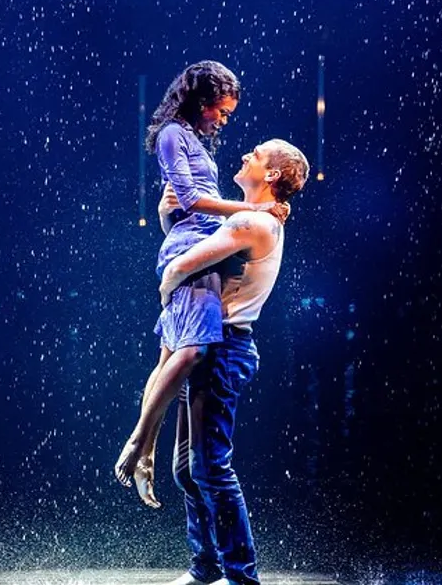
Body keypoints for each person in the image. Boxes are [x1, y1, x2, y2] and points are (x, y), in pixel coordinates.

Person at [114, 62, 287, 499]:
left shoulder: (191, 140)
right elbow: (190, 201)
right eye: (222, 112)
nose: (223, 121)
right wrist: (252, 211)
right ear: (202, 101)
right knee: (190, 353)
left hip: (196, 244)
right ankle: (137, 442)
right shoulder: (173, 134)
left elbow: (182, 207)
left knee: (169, 357)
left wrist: (172, 216)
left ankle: (147, 451)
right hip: (193, 249)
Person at [159, 139, 311, 585]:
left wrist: (168, 292)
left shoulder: (251, 222)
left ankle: (242, 577)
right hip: (212, 344)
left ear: (270, 176)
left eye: (257, 154)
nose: (246, 154)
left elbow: (179, 266)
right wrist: (172, 217)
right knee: (188, 468)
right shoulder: (252, 218)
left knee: (210, 467)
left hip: (223, 348)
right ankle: (205, 568)